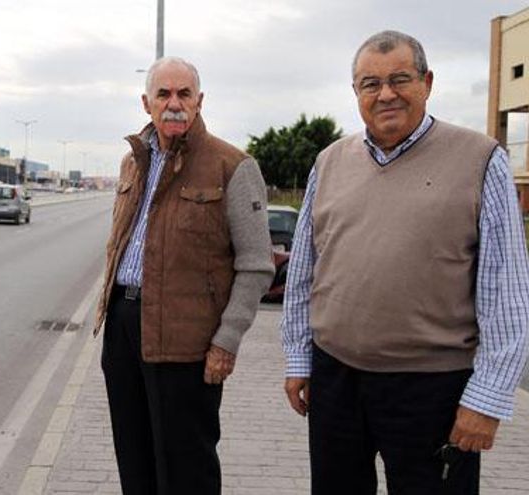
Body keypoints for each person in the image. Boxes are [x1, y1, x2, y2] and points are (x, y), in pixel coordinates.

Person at [281, 30, 529, 494]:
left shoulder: (479, 160)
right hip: (336, 380)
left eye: (400, 79)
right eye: (370, 84)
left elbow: (507, 292)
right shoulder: (330, 162)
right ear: (356, 92)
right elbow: (303, 274)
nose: (386, 94)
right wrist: (300, 358)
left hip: (432, 391)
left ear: (427, 82)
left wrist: (487, 401)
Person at [95, 56, 274, 494]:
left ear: (199, 101)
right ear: (146, 103)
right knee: (134, 461)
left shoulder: (232, 166)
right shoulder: (131, 162)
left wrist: (226, 340)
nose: (174, 103)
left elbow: (256, 264)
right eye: (163, 94)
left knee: (186, 470)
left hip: (188, 344)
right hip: (123, 328)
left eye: (184, 94)